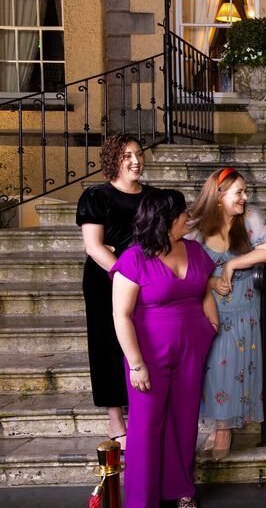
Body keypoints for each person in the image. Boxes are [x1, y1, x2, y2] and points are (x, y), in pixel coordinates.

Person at [110, 189, 218, 508]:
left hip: (192, 349)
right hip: (148, 354)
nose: (188, 218)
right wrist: (136, 364)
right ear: (166, 220)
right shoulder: (134, 257)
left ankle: (182, 488)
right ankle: (143, 500)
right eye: (183, 213)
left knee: (185, 421)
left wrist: (211, 326)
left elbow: (204, 291)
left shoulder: (195, 250)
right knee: (145, 427)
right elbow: (121, 315)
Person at [187, 167, 266, 461]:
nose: (245, 197)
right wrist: (212, 280)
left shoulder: (249, 218)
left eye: (245, 191)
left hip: (245, 305)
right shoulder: (197, 227)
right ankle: (218, 422)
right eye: (239, 192)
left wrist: (231, 266)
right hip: (210, 305)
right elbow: (185, 268)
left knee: (234, 365)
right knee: (213, 365)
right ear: (219, 196)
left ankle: (224, 428)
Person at [76, 133, 154, 451]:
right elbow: (94, 246)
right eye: (127, 156)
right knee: (108, 345)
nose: (136, 160)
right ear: (113, 160)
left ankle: (141, 412)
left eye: (138, 153)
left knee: (142, 342)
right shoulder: (96, 196)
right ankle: (115, 421)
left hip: (148, 278)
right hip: (105, 279)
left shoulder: (153, 196)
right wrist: (124, 274)